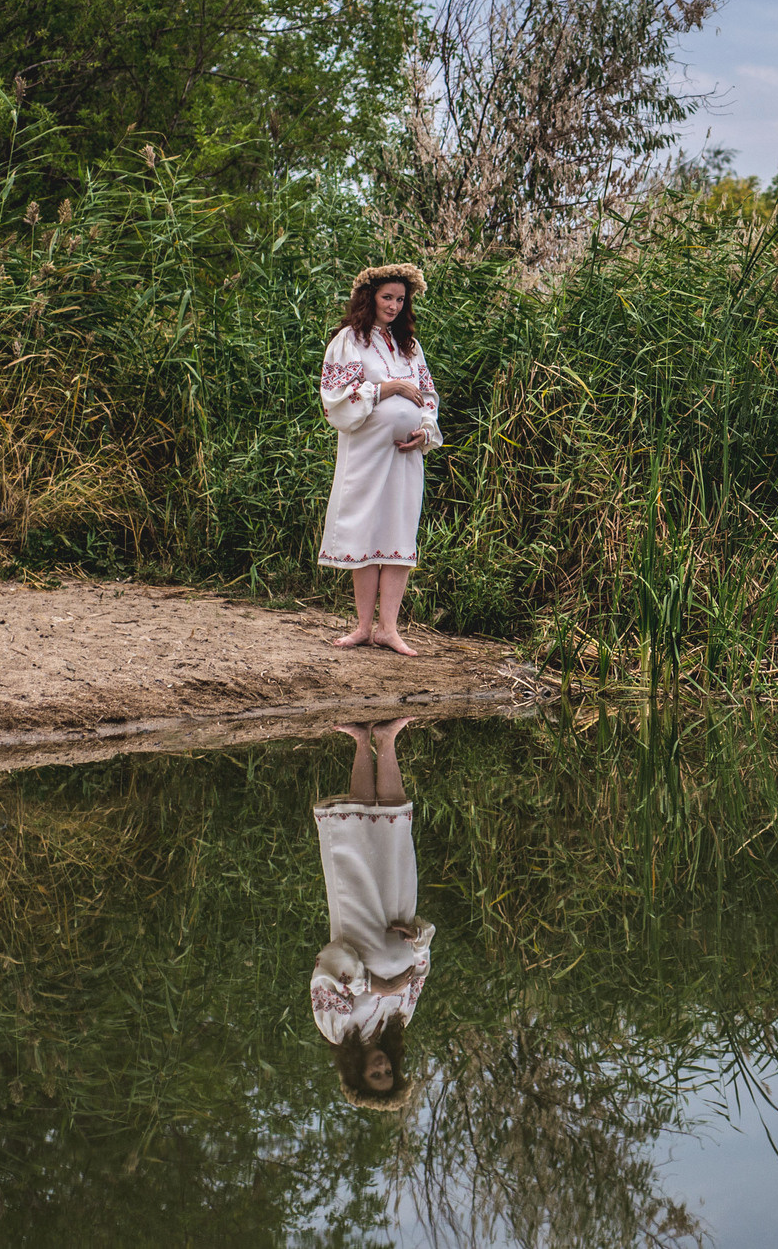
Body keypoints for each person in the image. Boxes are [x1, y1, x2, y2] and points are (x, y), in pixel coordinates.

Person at [319, 263, 442, 655]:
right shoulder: (349, 340)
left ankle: (388, 629)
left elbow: (427, 396)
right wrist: (386, 389)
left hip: (405, 456)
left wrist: (425, 429)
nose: (393, 305)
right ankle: (361, 627)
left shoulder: (409, 345)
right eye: (387, 297)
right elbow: (337, 398)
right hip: (367, 453)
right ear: (369, 296)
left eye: (400, 299)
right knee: (368, 530)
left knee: (398, 531)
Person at [311, 716, 432, 1112]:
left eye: (374, 1076)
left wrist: (371, 988)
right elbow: (419, 975)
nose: (382, 1068)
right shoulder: (400, 1023)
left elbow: (324, 976)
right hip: (398, 913)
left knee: (358, 839)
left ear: (356, 1074)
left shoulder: (338, 1031)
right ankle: (388, 737)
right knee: (394, 834)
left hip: (358, 921)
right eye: (389, 1074)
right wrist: (417, 941)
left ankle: (361, 744)